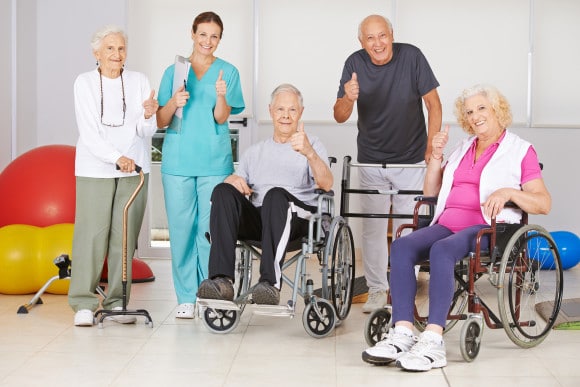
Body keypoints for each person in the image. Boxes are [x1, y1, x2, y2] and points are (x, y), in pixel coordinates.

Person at [362, 84, 551, 371]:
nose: (475, 116)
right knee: (402, 246)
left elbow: (543, 203)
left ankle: (434, 340)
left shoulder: (520, 150)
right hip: (447, 223)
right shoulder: (464, 148)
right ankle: (402, 331)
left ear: (497, 109)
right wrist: (436, 157)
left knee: (442, 250)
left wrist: (508, 193)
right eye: (469, 112)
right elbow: (431, 192)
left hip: (488, 230)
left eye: (481, 108)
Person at [333, 15, 443, 313]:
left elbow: (434, 104)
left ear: (391, 35)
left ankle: (404, 289)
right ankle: (377, 290)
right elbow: (340, 115)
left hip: (410, 160)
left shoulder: (412, 56)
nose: (378, 43)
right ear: (361, 42)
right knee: (372, 229)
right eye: (370, 38)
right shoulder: (354, 63)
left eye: (382, 36)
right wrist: (347, 96)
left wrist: (432, 148)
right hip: (370, 159)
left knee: (411, 229)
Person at [196, 83, 333, 305]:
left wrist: (309, 152)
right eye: (280, 109)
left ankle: (269, 283)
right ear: (271, 111)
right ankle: (221, 281)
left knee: (275, 195)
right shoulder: (254, 152)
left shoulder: (313, 144)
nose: (286, 116)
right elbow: (237, 189)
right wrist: (232, 181)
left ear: (301, 113)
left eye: (292, 110)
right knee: (222, 190)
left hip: (297, 220)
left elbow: (326, 184)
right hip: (260, 219)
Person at [157, 11, 245, 319]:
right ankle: (185, 296)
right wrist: (173, 102)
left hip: (213, 161)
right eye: (203, 34)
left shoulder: (228, 72)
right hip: (178, 160)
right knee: (181, 230)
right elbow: (161, 119)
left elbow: (222, 117)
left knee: (210, 231)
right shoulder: (174, 71)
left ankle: (209, 290)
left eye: (215, 36)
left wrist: (221, 97)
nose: (208, 41)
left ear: (220, 39)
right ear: (192, 34)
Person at [68, 25, 159, 326]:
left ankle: (118, 302)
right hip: (96, 169)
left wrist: (149, 114)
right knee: (91, 237)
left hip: (134, 170)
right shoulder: (84, 83)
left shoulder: (139, 81)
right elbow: (90, 134)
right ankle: (83, 302)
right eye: (109, 48)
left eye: (120, 49)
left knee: (124, 238)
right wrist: (116, 158)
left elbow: (146, 132)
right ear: (96, 53)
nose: (116, 54)